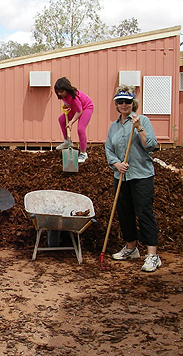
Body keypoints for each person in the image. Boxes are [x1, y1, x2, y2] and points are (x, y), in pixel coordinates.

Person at [105, 85, 161, 272]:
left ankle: (152, 255)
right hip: (121, 175)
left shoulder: (142, 120)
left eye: (127, 101)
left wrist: (139, 129)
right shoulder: (113, 127)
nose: (123, 104)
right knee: (124, 211)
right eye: (120, 101)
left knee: (144, 212)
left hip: (141, 175)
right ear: (116, 104)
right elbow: (108, 150)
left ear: (133, 103)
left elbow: (151, 146)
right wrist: (116, 164)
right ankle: (131, 248)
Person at [54, 77, 94, 163]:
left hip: (86, 107)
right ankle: (67, 141)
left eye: (62, 91)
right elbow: (71, 106)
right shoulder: (63, 96)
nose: (59, 94)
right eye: (58, 91)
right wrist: (67, 107)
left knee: (80, 129)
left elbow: (79, 111)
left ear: (67, 89)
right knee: (61, 120)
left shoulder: (73, 97)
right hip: (76, 108)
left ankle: (83, 153)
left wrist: (71, 122)